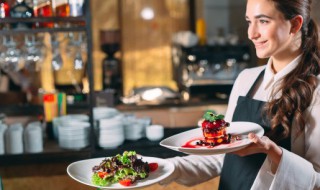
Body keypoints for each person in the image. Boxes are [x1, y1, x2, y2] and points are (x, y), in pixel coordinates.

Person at [162, 0, 320, 189]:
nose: (251, 34)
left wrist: (274, 153)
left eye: (263, 21)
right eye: (249, 21)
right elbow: (222, 156)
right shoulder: (246, 79)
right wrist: (163, 168)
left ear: (295, 24)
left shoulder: (316, 89)